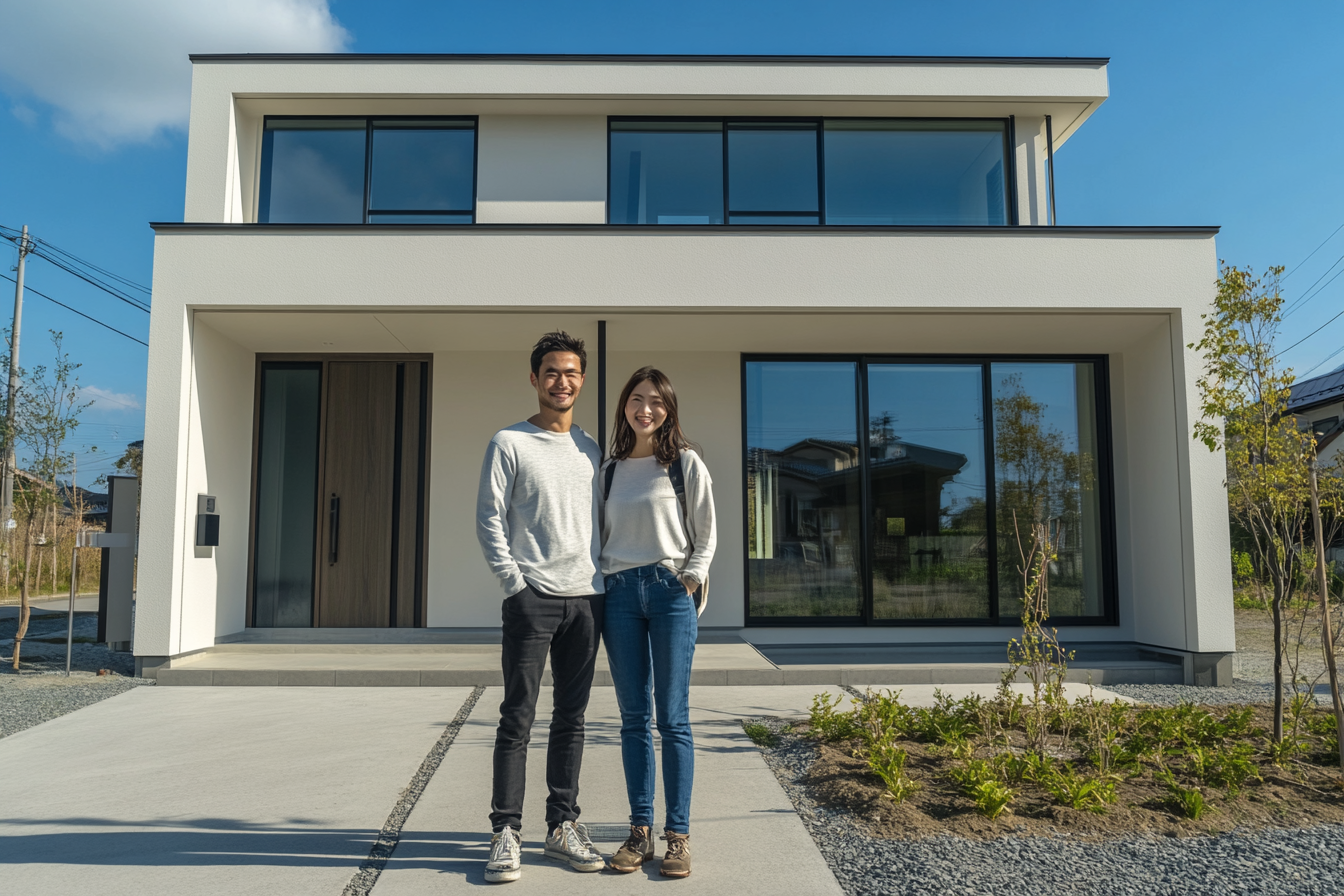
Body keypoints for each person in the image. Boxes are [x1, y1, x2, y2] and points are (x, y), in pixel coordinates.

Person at [475, 331, 606, 884]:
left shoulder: (592, 447)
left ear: (582, 380)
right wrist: (515, 585)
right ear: (535, 378)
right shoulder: (509, 442)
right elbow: (489, 517)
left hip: (589, 599)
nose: (562, 381)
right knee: (518, 717)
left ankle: (560, 826)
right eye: (551, 371)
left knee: (572, 720)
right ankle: (506, 832)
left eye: (571, 372)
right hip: (533, 600)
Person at [598, 367, 716, 879]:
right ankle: (640, 831)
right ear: (624, 405)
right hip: (620, 594)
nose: (645, 409)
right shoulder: (608, 470)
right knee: (631, 718)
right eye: (637, 399)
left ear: (668, 409)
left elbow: (707, 533)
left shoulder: (684, 464)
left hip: (670, 592)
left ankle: (678, 836)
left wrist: (688, 581)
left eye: (656, 401)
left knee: (672, 717)